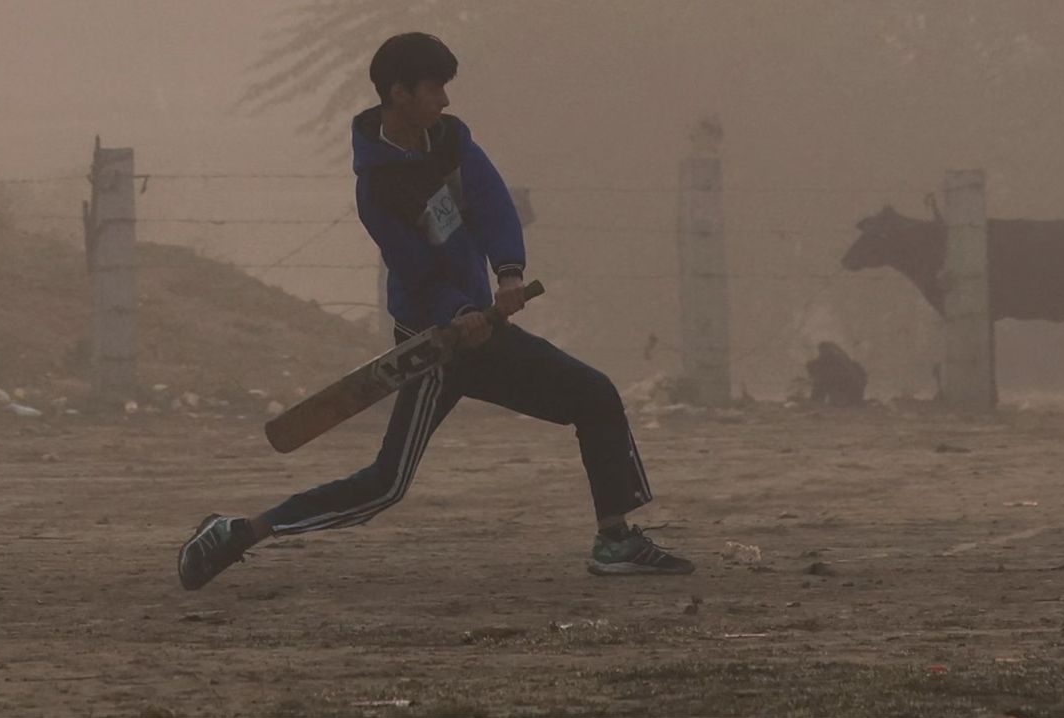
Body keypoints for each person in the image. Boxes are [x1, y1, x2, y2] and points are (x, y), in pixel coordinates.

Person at [177, 32, 693, 589]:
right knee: (387, 485)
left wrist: (510, 272)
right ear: (398, 94)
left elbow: (493, 202)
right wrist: (459, 312)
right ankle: (238, 533)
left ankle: (615, 538)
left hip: (481, 333)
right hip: (433, 342)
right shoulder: (377, 188)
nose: (444, 101)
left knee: (593, 394)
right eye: (433, 89)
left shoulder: (449, 141)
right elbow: (417, 271)